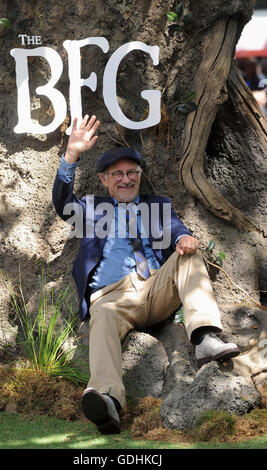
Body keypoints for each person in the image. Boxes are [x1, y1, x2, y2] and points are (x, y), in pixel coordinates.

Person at [52, 114, 240, 434]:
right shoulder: (93, 209)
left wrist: (183, 238)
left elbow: (177, 229)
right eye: (118, 174)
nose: (126, 179)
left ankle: (206, 337)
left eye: (131, 173)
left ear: (139, 175)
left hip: (155, 287)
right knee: (104, 317)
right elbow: (62, 202)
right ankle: (108, 401)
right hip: (112, 297)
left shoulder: (158, 206)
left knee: (189, 255)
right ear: (104, 179)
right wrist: (71, 155)